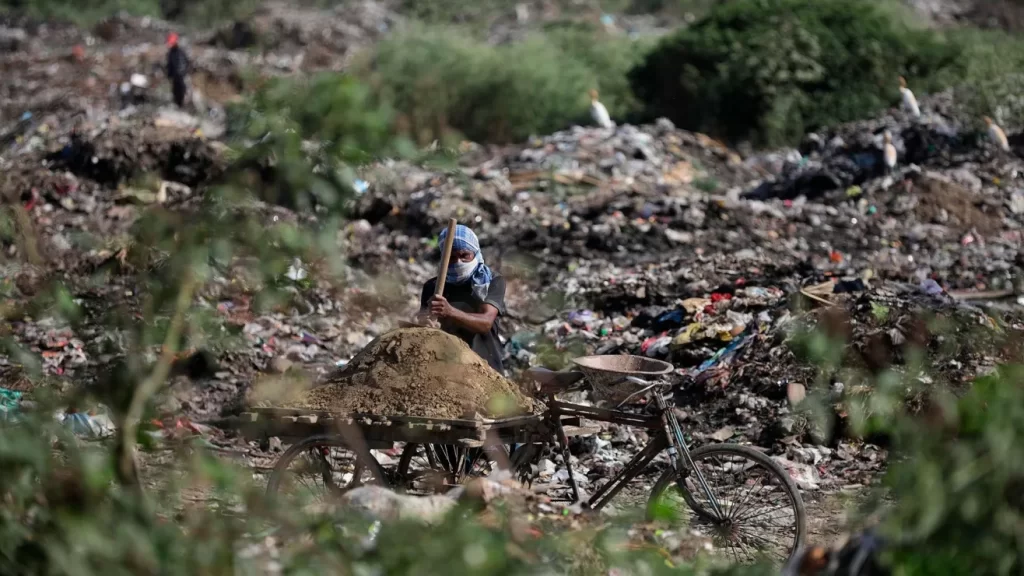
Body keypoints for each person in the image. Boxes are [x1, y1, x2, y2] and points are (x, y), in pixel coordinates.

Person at [416, 225, 506, 374]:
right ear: (443, 257)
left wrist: (450, 311)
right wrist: (425, 322)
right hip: (446, 367)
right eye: (451, 257)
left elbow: (486, 323)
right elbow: (425, 322)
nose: (458, 262)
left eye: (465, 255)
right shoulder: (433, 287)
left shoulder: (492, 281)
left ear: (475, 253)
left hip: (485, 368)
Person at [166, 32, 190, 108]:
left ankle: (182, 106)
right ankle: (178, 106)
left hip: (181, 77)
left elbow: (186, 63)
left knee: (182, 93)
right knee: (175, 93)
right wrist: (169, 75)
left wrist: (182, 73)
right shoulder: (171, 53)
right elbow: (169, 65)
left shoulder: (181, 52)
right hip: (175, 78)